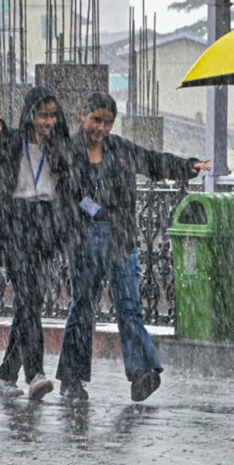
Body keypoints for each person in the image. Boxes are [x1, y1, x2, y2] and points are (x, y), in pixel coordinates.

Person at [56, 93, 209, 402]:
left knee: (129, 305)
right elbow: (70, 194)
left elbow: (152, 161)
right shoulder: (68, 152)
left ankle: (141, 373)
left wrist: (186, 166)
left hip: (122, 237)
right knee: (83, 306)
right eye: (96, 120)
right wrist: (97, 212)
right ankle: (71, 378)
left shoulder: (120, 149)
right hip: (85, 239)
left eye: (107, 123)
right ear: (83, 115)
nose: (101, 128)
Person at [0, 86, 78, 400]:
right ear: (30, 114)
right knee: (30, 297)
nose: (48, 121)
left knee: (27, 303)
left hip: (44, 227)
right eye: (42, 115)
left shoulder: (60, 148)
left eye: (52, 115)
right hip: (14, 226)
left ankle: (5, 376)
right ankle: (35, 373)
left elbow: (72, 190)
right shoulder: (11, 142)